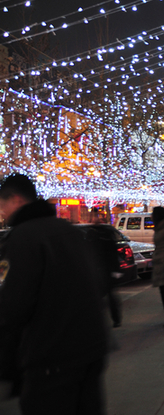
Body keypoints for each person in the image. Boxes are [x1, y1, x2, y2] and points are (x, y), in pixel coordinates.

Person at [0, 174, 108, 414]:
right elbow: (97, 282)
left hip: (50, 359)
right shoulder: (68, 230)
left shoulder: (20, 239)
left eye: (2, 204)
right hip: (91, 350)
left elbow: (13, 306)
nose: (2, 212)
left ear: (16, 200)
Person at [86, 208, 123, 328]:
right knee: (97, 298)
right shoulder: (90, 233)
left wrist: (116, 269)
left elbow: (113, 251)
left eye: (96, 216)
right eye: (93, 216)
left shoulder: (105, 232)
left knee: (111, 296)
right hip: (96, 269)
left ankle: (116, 319)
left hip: (107, 269)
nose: (95, 219)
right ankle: (98, 321)